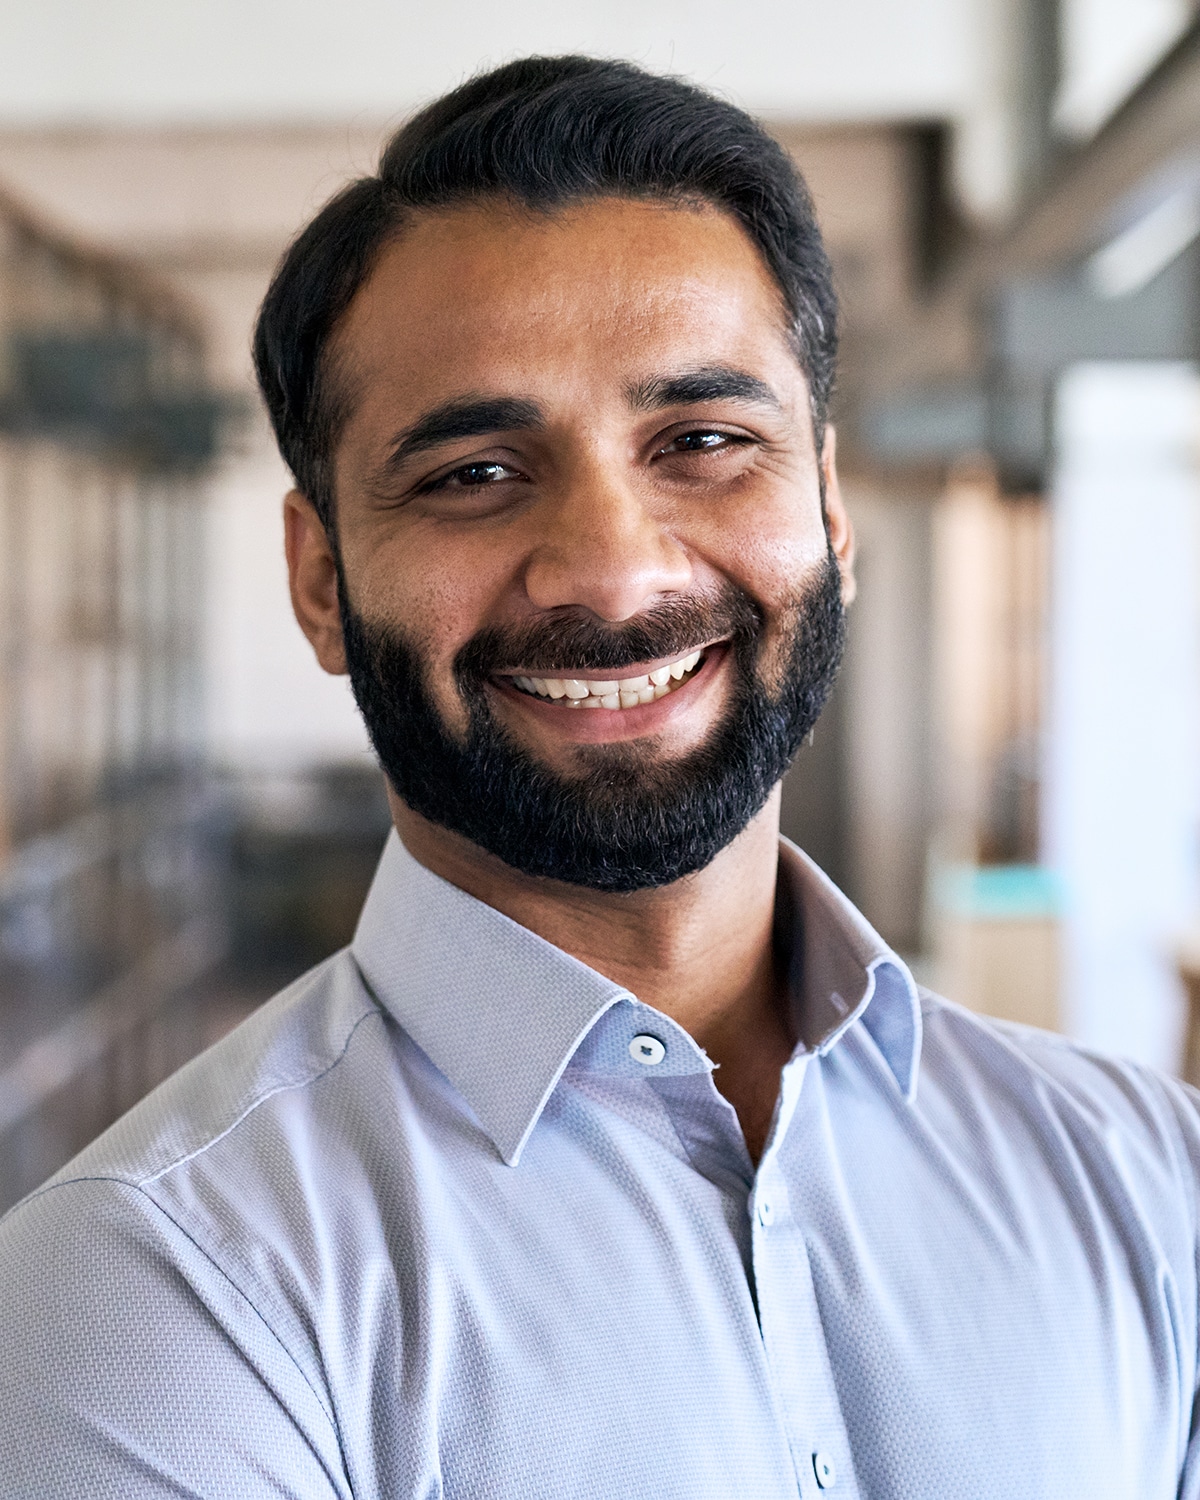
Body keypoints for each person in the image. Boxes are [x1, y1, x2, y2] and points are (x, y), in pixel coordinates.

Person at [1, 54, 1199, 1500]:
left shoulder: (1150, 1185)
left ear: (827, 504)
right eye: (474, 475)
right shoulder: (155, 1295)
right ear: (320, 578)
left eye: (703, 443)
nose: (614, 571)